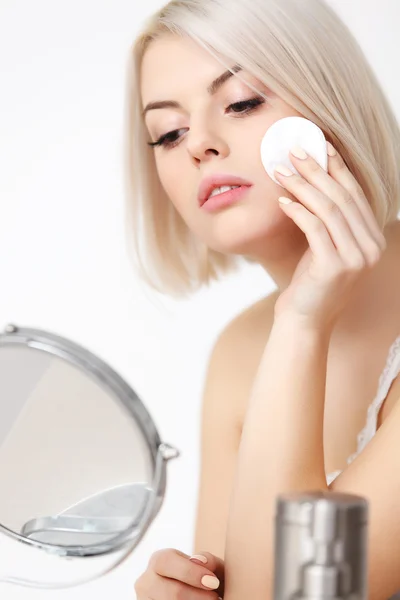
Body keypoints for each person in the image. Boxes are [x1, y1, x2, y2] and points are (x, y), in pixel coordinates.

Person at [126, 0, 400, 597]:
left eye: (242, 101)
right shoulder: (240, 352)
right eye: (168, 134)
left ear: (331, 102)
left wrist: (303, 325)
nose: (199, 143)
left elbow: (297, 592)